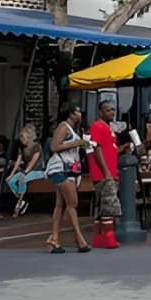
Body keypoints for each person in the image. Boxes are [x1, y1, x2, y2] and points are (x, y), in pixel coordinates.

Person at [44, 104, 91, 253]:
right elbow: (54, 147)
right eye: (77, 111)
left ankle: (54, 239)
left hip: (66, 170)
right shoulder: (63, 127)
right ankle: (79, 239)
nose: (80, 114)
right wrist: (77, 143)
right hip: (59, 169)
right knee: (72, 203)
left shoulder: (73, 129)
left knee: (60, 205)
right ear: (70, 113)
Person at [86, 101, 123, 249]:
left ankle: (98, 237)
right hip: (104, 174)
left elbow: (110, 149)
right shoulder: (97, 127)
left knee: (101, 205)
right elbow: (97, 148)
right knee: (109, 204)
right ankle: (108, 237)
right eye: (108, 110)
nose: (112, 112)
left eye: (113, 110)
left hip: (109, 171)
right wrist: (106, 171)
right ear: (100, 112)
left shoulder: (108, 129)